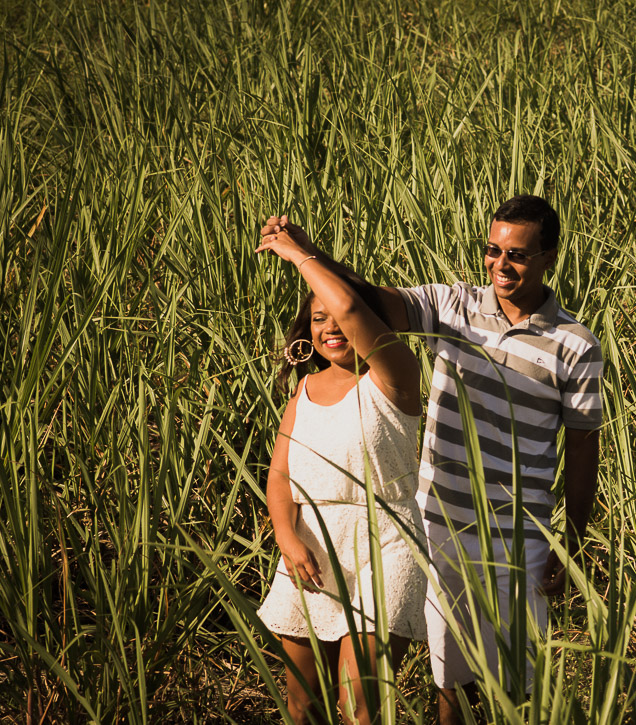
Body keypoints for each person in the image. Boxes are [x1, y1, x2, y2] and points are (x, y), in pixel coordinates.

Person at [261, 195, 603, 725]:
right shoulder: (453, 306)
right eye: (492, 250)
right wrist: (312, 253)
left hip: (520, 531)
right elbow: (367, 302)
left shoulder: (576, 344)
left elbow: (582, 448)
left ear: (550, 256)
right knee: (448, 679)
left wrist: (570, 540)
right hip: (438, 517)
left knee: (505, 682)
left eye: (517, 254)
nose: (500, 264)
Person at [254, 226, 427, 725]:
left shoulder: (394, 377)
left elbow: (353, 309)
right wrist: (287, 538)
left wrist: (298, 255)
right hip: (309, 547)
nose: (330, 328)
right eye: (316, 319)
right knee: (302, 705)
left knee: (358, 709)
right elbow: (279, 478)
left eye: (339, 318)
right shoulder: (303, 392)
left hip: (387, 544)